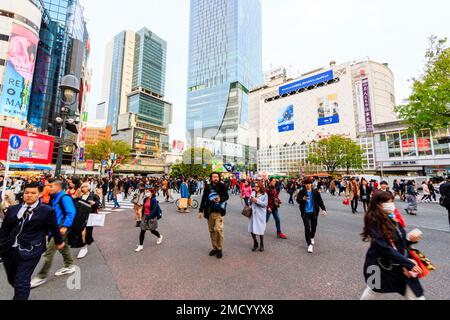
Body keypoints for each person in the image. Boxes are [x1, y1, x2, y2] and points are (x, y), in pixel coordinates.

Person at [0, 183, 64, 300]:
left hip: (32, 250)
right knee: (13, 280)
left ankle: (21, 293)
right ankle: (21, 292)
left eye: (33, 193)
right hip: (9, 251)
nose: (29, 195)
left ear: (39, 194)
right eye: (26, 193)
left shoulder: (47, 210)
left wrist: (59, 241)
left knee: (21, 282)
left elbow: (54, 228)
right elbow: (4, 230)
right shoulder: (12, 209)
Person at [360, 191, 425, 300]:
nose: (391, 204)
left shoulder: (392, 216)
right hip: (380, 266)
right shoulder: (373, 220)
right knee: (373, 291)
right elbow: (383, 247)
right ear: (378, 204)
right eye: (388, 202)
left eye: (392, 201)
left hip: (400, 264)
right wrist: (408, 263)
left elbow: (399, 240)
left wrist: (409, 239)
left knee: (416, 295)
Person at [31, 179, 77, 289]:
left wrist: (65, 226)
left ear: (58, 187)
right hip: (55, 228)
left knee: (49, 252)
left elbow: (71, 212)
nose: (48, 188)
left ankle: (41, 276)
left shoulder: (64, 197)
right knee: (63, 247)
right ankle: (69, 265)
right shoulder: (55, 197)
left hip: (60, 228)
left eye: (51, 186)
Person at [198, 172, 229, 259]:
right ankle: (215, 248)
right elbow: (204, 198)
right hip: (209, 212)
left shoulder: (222, 186)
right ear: (211, 178)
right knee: (212, 231)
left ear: (219, 178)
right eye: (214, 177)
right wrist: (200, 210)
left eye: (217, 177)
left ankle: (220, 249)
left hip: (219, 211)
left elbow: (226, 197)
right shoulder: (207, 187)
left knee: (218, 229)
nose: (215, 178)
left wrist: (220, 199)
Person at [296, 178, 328, 253]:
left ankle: (312, 236)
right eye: (306, 184)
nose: (308, 185)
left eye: (309, 184)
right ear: (304, 185)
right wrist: (303, 199)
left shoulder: (315, 192)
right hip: (305, 213)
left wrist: (324, 209)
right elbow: (298, 200)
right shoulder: (301, 192)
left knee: (314, 227)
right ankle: (309, 244)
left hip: (314, 213)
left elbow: (320, 202)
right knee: (307, 227)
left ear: (311, 184)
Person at [74, 183, 100, 259]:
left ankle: (84, 247)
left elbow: (99, 204)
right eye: (82, 187)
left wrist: (94, 203)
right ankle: (84, 245)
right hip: (81, 216)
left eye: (85, 187)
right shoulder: (81, 196)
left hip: (90, 215)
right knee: (81, 231)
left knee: (85, 231)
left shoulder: (94, 195)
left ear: (88, 188)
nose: (83, 188)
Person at [248, 181, 268, 252]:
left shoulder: (264, 194)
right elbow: (248, 202)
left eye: (257, 186)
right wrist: (250, 200)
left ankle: (262, 243)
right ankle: (255, 242)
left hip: (260, 215)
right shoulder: (253, 193)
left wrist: (256, 201)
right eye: (255, 186)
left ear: (260, 187)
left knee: (260, 229)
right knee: (251, 229)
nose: (255, 188)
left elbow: (265, 204)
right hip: (253, 214)